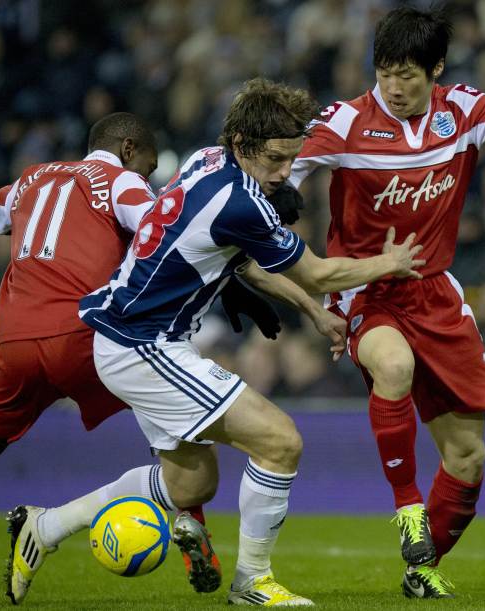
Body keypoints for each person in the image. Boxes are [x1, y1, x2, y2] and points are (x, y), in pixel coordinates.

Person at [74, 77, 425, 606]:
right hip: (143, 344)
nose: (287, 172)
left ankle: (44, 526)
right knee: (280, 442)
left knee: (191, 487)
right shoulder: (242, 201)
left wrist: (310, 313)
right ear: (242, 145)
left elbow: (240, 261)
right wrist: (390, 263)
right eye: (278, 159)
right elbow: (320, 273)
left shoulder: (206, 159)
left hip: (137, 337)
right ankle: (252, 581)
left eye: (293, 158)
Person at [288, 6, 485, 599]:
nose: (395, 86)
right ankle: (407, 507)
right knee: (394, 366)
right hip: (367, 288)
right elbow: (277, 176)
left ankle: (421, 564)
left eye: (408, 73)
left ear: (437, 69)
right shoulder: (344, 121)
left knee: (469, 459)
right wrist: (279, 208)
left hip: (435, 292)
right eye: (384, 71)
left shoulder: (465, 111)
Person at [0, 111, 281, 603]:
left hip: (14, 338)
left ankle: (170, 525)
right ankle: (193, 530)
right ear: (130, 149)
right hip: (88, 333)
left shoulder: (31, 178)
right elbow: (161, 237)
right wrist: (230, 282)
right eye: (149, 167)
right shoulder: (122, 183)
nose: (147, 177)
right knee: (175, 418)